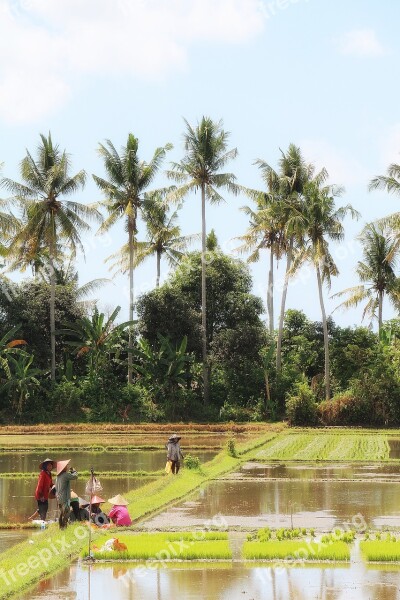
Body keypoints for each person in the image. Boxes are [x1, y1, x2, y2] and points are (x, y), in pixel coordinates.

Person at [55, 460, 78, 529]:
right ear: (63, 468)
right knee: (66, 513)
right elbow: (75, 476)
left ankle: (60, 527)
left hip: (59, 497)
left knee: (61, 513)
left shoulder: (58, 476)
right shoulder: (64, 475)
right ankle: (64, 527)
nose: (67, 467)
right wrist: (73, 471)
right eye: (66, 466)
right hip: (65, 497)